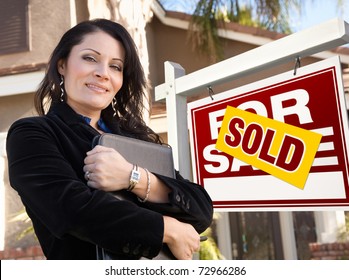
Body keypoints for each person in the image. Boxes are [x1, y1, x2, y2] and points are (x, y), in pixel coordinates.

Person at [6, 19, 213, 260]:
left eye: (115, 66)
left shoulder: (136, 138)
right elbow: (72, 211)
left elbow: (201, 210)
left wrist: (132, 176)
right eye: (90, 58)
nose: (103, 73)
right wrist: (169, 229)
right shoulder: (33, 133)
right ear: (62, 65)